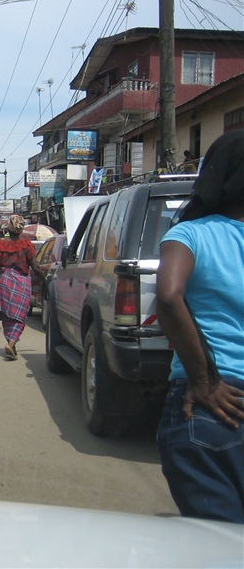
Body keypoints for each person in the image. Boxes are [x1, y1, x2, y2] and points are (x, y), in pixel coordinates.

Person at [156, 129, 244, 524]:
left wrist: (203, 379)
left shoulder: (190, 234)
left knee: (219, 544)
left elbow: (170, 296)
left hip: (214, 406)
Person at [0, 215, 45, 360]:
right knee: (19, 314)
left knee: (7, 314)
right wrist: (45, 281)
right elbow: (36, 267)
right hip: (22, 281)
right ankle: (12, 343)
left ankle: (10, 343)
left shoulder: (0, 244)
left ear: (7, 229)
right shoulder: (27, 245)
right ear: (21, 229)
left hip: (4, 280)